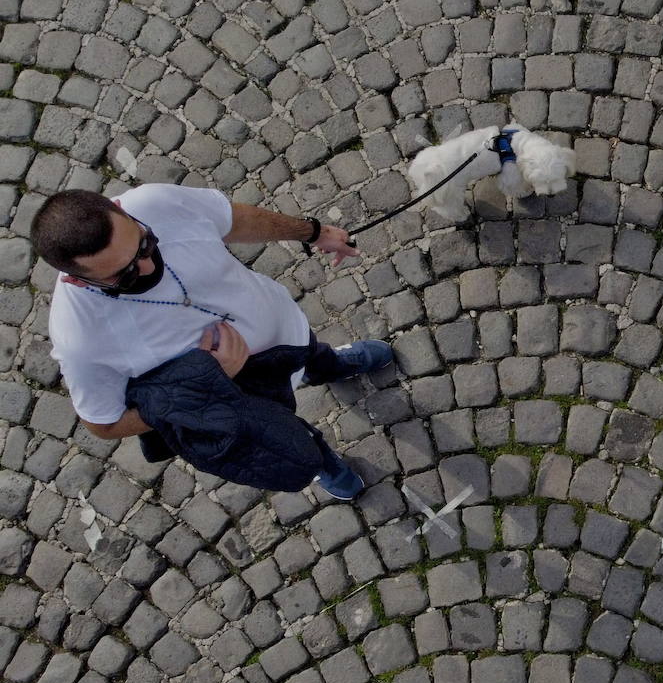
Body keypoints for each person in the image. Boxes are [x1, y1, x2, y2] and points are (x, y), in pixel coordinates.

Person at [32, 184, 394, 499]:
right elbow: (103, 424)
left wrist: (313, 232)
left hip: (286, 331)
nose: (147, 267)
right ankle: (323, 464)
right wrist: (206, 380)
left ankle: (334, 365)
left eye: (145, 245)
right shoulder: (80, 338)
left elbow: (237, 220)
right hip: (246, 396)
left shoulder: (155, 203)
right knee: (290, 435)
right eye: (123, 275)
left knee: (313, 351)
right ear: (78, 281)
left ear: (124, 211)